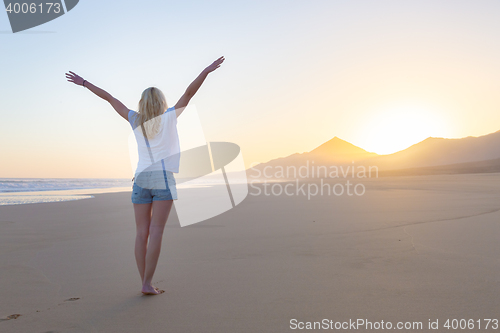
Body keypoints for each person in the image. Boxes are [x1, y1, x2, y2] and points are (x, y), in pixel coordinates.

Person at [65, 56, 225, 295]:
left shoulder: (134, 119)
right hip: (162, 178)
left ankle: (145, 282)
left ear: (142, 103)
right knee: (157, 232)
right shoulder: (170, 117)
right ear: (161, 102)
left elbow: (110, 99)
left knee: (142, 233)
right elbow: (189, 93)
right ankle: (147, 284)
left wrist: (85, 83)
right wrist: (207, 71)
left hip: (140, 179)